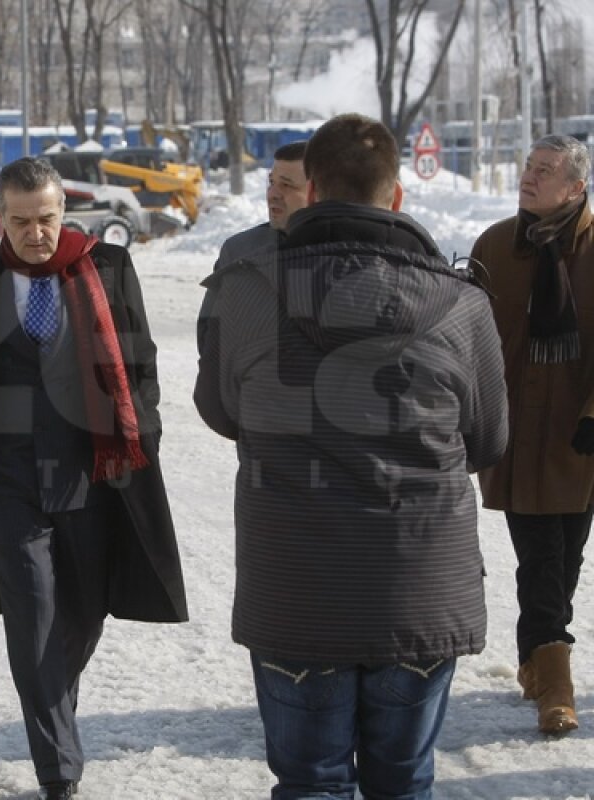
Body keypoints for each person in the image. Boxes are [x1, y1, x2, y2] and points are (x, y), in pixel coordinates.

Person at [195, 113, 508, 798]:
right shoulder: (461, 303)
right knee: (403, 782)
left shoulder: (246, 289)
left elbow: (220, 411)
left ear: (311, 193)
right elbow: (489, 440)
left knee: (310, 782)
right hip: (420, 589)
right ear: (396, 197)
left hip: (296, 588)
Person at [0, 157, 188, 800]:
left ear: (62, 212)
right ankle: (58, 770)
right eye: (20, 221)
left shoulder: (109, 269)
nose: (36, 233)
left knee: (84, 613)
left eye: (46, 218)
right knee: (33, 615)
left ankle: (52, 706)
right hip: (6, 482)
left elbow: (142, 365)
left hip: (93, 477)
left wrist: (139, 435)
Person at [469, 134, 594, 735]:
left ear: (575, 188)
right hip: (517, 438)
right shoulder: (494, 245)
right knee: (542, 562)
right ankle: (556, 693)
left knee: (563, 561)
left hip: (580, 440)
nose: (530, 177)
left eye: (546, 171)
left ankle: (533, 662)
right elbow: (465, 340)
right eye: (528, 166)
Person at [211, 140, 308, 271]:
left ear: (318, 192)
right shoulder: (238, 252)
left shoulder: (340, 257)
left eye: (286, 185)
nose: (272, 194)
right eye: (271, 182)